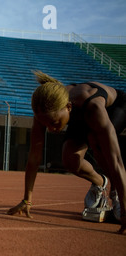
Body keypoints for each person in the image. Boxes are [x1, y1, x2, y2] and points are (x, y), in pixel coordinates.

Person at [7, 71, 126, 235]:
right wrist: (27, 199)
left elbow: (116, 160)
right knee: (70, 160)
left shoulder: (93, 106)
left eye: (54, 123)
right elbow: (34, 157)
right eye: (46, 124)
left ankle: (116, 195)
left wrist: (125, 209)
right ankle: (100, 183)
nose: (50, 129)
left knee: (97, 143)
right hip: (78, 115)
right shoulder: (44, 112)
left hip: (115, 108)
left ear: (68, 107)